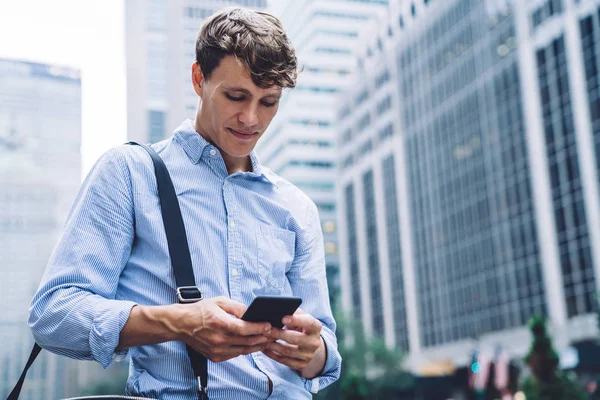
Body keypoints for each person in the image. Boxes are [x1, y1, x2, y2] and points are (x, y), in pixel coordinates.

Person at [28, 7, 341, 399]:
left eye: (269, 102)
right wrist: (179, 321)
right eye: (236, 96)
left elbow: (325, 351)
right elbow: (53, 314)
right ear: (199, 79)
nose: (251, 118)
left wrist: (314, 349)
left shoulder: (297, 208)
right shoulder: (130, 173)